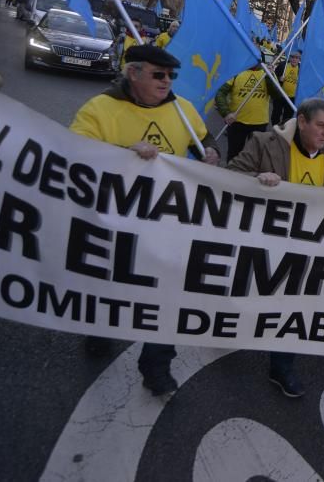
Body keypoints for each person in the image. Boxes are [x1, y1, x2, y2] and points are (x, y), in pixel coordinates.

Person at [69, 44, 220, 397]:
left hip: (170, 220)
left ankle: (156, 366)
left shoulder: (182, 109)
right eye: (158, 74)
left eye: (171, 76)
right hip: (114, 220)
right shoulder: (100, 109)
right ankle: (101, 329)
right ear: (133, 73)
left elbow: (202, 138)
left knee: (168, 295)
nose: (167, 81)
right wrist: (124, 155)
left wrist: (211, 150)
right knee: (111, 282)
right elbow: (72, 155)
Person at [228, 98, 324, 397]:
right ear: (301, 121)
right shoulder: (264, 143)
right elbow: (230, 174)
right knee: (248, 295)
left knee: (293, 307)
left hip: (303, 249)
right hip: (261, 242)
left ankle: (282, 367)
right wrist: (256, 179)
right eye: (320, 126)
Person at [215, 62, 280, 161]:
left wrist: (269, 76)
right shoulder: (236, 71)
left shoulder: (268, 72)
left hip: (259, 124)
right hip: (237, 122)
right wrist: (226, 113)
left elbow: (277, 95)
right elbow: (220, 93)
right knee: (234, 155)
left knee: (254, 158)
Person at [272, 50, 301, 125]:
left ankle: (283, 131)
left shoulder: (301, 69)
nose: (294, 59)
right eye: (293, 57)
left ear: (299, 59)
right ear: (290, 58)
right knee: (276, 115)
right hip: (280, 96)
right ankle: (275, 129)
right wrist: (279, 78)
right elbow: (273, 77)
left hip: (292, 98)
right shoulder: (283, 65)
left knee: (287, 118)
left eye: (297, 57)